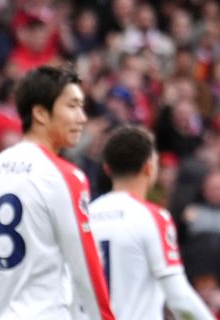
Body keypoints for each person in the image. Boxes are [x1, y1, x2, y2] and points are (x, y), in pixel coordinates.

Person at [0, 65, 114, 319]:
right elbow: (85, 267)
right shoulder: (64, 176)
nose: (82, 118)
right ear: (40, 114)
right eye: (73, 106)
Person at [89, 126, 214, 319]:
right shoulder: (151, 217)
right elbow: (179, 297)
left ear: (107, 169)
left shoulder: (84, 216)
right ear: (149, 167)